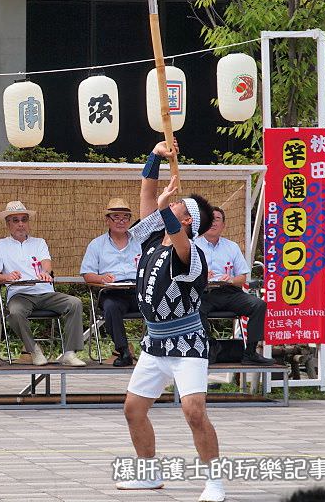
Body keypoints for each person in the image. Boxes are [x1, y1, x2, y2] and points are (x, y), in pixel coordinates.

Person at [116, 140, 226, 502]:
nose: (170, 199)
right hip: (154, 342)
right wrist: (154, 155)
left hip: (187, 343)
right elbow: (148, 193)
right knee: (134, 410)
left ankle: (215, 482)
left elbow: (173, 228)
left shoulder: (189, 252)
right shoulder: (152, 238)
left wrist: (166, 208)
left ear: (188, 219)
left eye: (178, 204)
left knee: (194, 411)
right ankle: (148, 475)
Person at [0, 200, 86, 367]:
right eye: (15, 220)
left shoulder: (39, 242)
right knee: (15, 312)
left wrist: (45, 273)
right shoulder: (1, 245)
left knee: (75, 303)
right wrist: (6, 277)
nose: (20, 224)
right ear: (7, 224)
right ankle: (33, 349)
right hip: (20, 294)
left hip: (44, 291)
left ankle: (69, 353)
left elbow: (46, 262)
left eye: (24, 220)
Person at [196, 206, 271, 365]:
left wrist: (230, 279)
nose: (213, 222)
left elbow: (242, 277)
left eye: (217, 219)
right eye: (210, 218)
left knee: (258, 305)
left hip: (229, 292)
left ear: (223, 225)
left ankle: (250, 353)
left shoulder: (232, 246)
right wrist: (201, 276)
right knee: (194, 307)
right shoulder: (192, 245)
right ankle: (210, 347)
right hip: (203, 292)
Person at [80, 197, 141, 366]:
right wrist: (101, 278)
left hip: (138, 289)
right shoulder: (97, 245)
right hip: (112, 292)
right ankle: (123, 351)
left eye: (125, 217)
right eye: (116, 217)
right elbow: (87, 274)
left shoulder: (140, 242)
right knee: (111, 307)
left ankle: (157, 349)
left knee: (160, 303)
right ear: (107, 220)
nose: (121, 221)